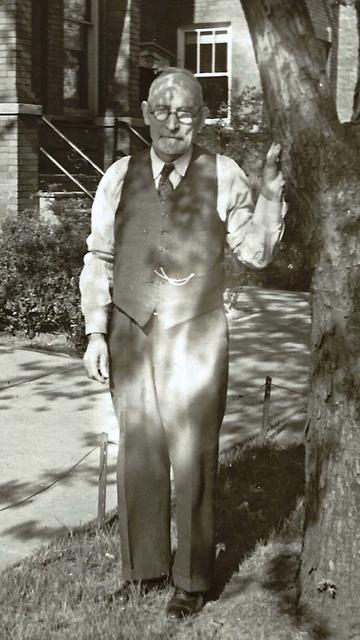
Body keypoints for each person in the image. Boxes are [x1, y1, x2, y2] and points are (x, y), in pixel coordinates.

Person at [80, 67, 285, 619]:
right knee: (139, 449)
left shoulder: (225, 174)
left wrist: (269, 195)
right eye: (164, 110)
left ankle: (192, 578)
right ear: (146, 114)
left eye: (187, 111)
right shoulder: (119, 176)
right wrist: (96, 332)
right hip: (129, 328)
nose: (175, 121)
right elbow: (99, 257)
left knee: (193, 452)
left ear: (202, 117)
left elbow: (256, 254)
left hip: (195, 332)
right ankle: (143, 569)